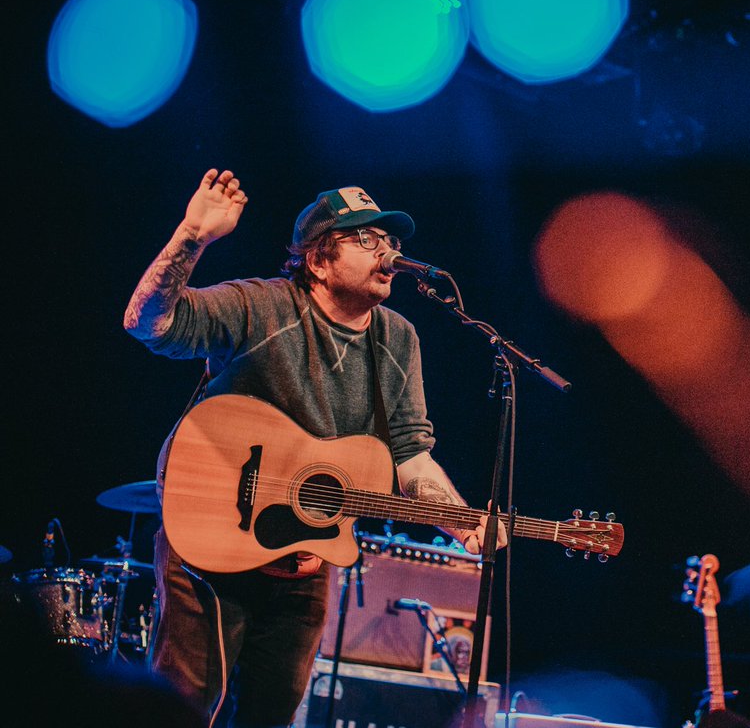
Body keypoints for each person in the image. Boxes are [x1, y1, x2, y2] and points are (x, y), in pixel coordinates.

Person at [124, 168, 507, 727]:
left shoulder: (399, 337)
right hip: (209, 540)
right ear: (319, 260)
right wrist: (192, 237)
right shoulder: (261, 307)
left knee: (271, 717)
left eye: (392, 240)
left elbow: (410, 452)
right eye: (367, 239)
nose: (388, 252)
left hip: (305, 560)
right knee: (180, 711)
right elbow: (147, 324)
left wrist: (459, 521)